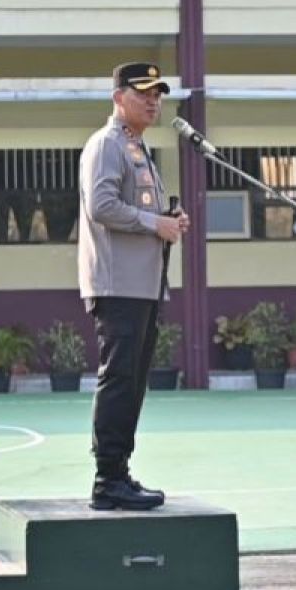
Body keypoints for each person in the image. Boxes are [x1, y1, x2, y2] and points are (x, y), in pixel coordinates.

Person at [79, 62, 190, 511]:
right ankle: (107, 479)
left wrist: (169, 220)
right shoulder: (107, 145)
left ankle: (119, 472)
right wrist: (154, 222)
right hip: (117, 284)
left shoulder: (137, 149)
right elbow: (103, 204)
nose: (153, 100)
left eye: (158, 93)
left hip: (142, 286)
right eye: (143, 91)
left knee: (134, 382)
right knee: (120, 380)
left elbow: (141, 211)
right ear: (118, 97)